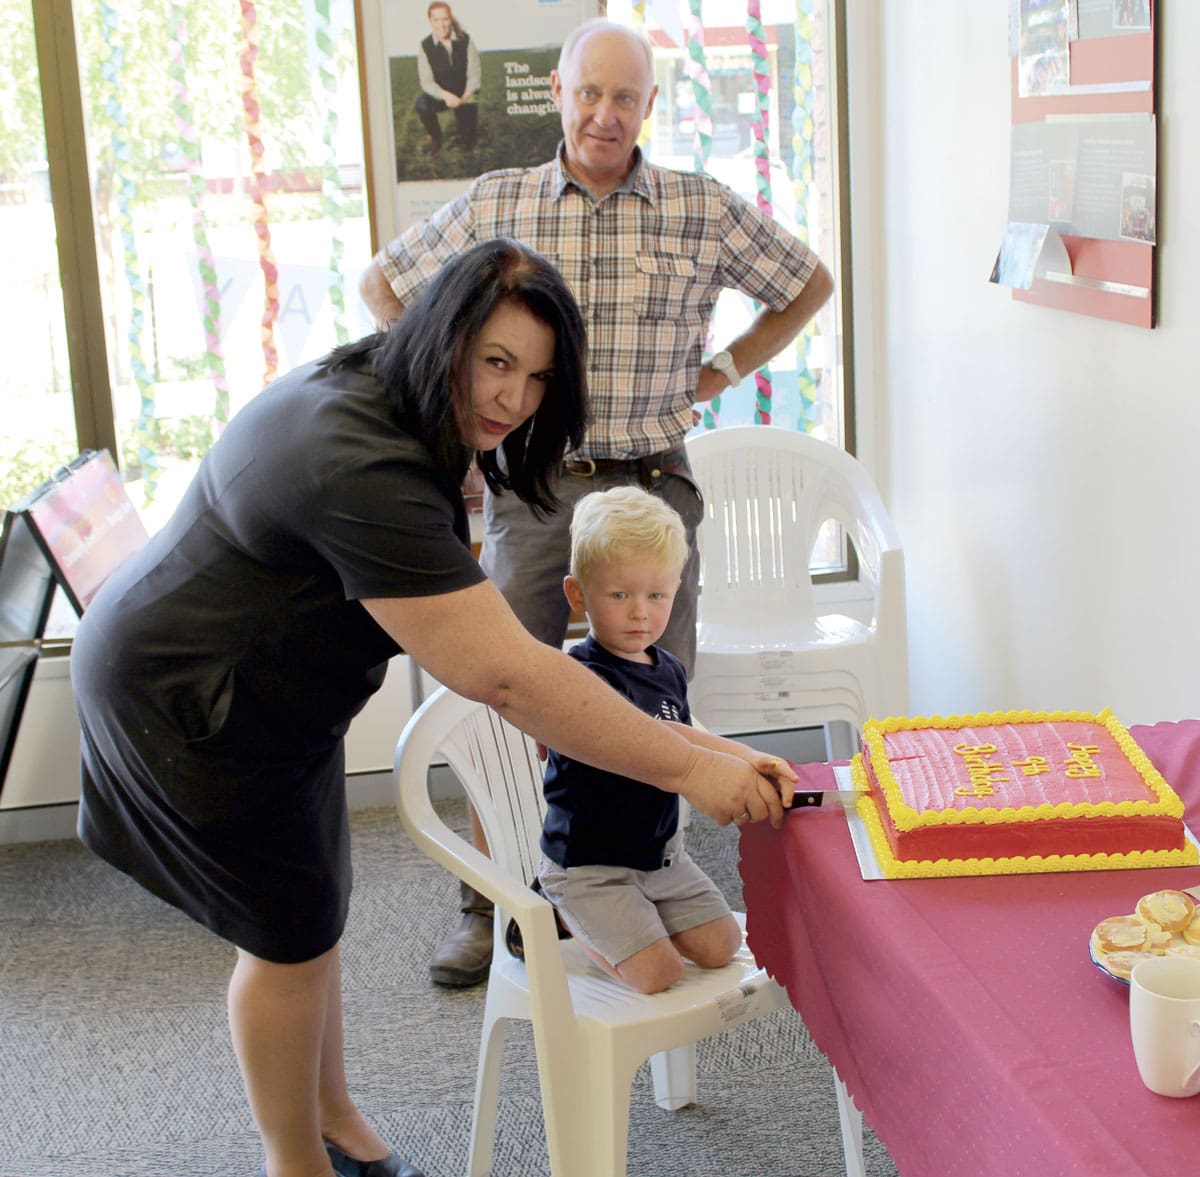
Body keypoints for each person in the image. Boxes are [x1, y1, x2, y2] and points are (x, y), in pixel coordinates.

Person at [70, 239, 792, 1177]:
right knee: (285, 941)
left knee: (315, 914)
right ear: (442, 334)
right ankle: (297, 1164)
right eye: (495, 362)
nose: (513, 399)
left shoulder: (393, 393)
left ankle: (337, 1123)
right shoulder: (357, 459)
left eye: (536, 376)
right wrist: (697, 767)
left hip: (272, 696)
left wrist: (707, 752)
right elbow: (508, 676)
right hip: (189, 698)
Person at [359, 16, 834, 989]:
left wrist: (727, 366)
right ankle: (492, 905)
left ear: (650, 106)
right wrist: (462, 387)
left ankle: (646, 880)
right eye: (589, 93)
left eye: (625, 97)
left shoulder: (700, 208)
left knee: (651, 706)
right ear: (559, 94)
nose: (605, 115)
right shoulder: (503, 202)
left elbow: (808, 282)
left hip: (655, 489)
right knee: (499, 696)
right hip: (540, 488)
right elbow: (384, 284)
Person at [538, 486, 796, 993]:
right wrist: (742, 756)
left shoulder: (668, 666)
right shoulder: (578, 678)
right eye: (619, 595)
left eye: (656, 596)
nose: (640, 614)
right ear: (577, 595)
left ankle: (638, 915)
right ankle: (563, 912)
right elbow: (662, 738)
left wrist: (752, 757)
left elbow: (689, 730)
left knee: (722, 949)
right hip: (592, 865)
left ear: (676, 589)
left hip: (661, 856)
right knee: (660, 976)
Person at [415, 2, 479, 157]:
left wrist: (464, 97)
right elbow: (427, 82)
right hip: (441, 95)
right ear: (430, 21)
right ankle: (436, 138)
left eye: (445, 19)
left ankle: (466, 137)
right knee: (421, 104)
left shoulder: (466, 41)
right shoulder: (425, 46)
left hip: (464, 94)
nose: (441, 25)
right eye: (436, 20)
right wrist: (446, 96)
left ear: (450, 19)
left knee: (467, 144)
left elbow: (474, 75)